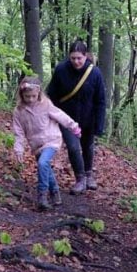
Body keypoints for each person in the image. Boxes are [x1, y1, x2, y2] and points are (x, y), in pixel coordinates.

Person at [46, 41, 107, 194]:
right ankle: (80, 179)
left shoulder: (95, 73)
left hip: (88, 119)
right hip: (66, 118)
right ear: (69, 57)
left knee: (88, 147)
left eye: (79, 58)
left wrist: (100, 125)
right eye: (73, 58)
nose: (76, 61)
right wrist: (49, 115)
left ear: (86, 56)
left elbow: (101, 101)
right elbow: (51, 95)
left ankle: (88, 175)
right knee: (73, 148)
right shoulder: (61, 70)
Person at [11, 76, 81, 210]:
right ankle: (55, 193)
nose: (30, 99)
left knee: (43, 163)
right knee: (46, 168)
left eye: (33, 96)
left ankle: (42, 195)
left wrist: (73, 126)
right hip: (36, 145)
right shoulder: (18, 111)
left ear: (38, 93)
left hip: (51, 140)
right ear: (22, 95)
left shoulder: (46, 104)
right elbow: (18, 132)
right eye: (27, 96)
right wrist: (18, 149)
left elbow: (60, 115)